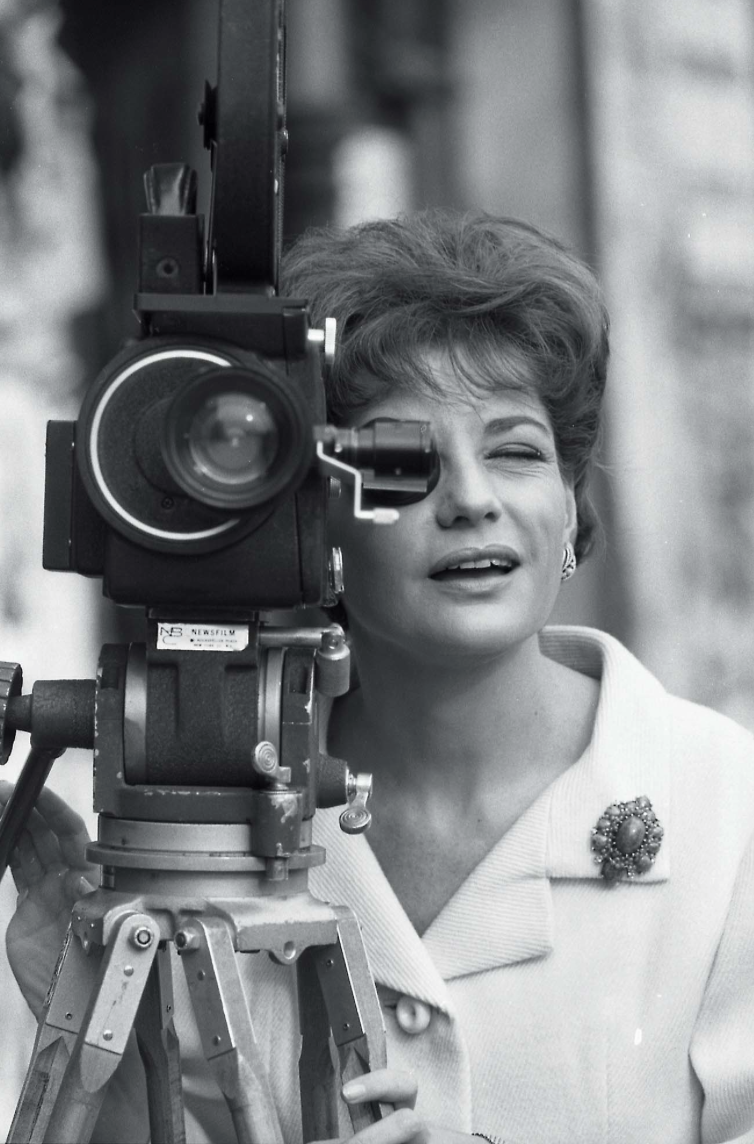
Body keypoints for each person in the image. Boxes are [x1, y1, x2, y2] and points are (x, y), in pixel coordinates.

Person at [3, 210, 754, 1144]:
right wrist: (110, 1073)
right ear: (310, 523)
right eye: (403, 464)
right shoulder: (199, 832)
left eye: (516, 451)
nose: (471, 500)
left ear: (570, 506)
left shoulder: (726, 810)